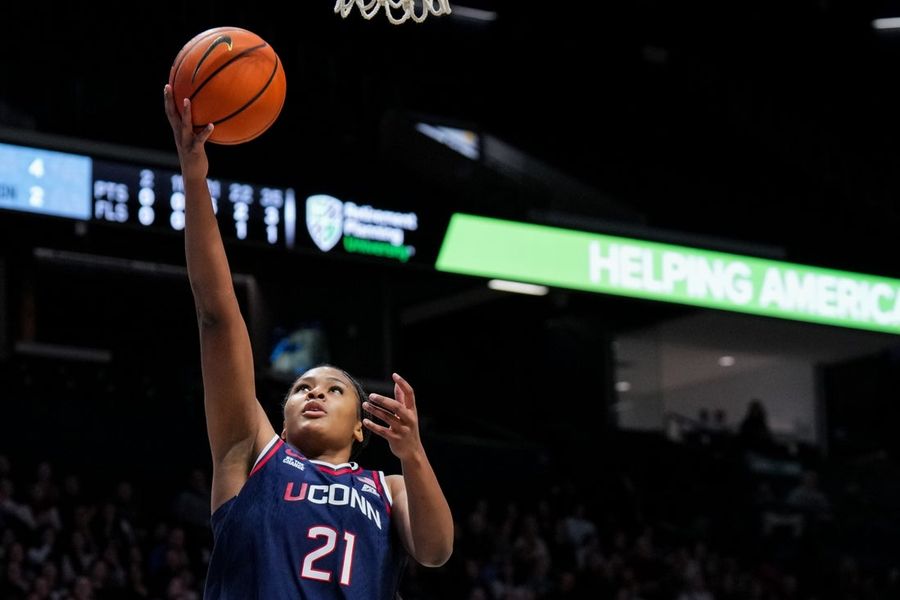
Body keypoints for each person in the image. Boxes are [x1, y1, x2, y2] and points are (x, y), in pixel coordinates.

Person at [163, 85, 453, 598]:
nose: (315, 393)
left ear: (362, 429)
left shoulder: (388, 488)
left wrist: (413, 453)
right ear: (283, 412)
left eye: (335, 389)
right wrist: (194, 178)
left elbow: (435, 551)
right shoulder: (251, 453)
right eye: (302, 388)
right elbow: (217, 316)